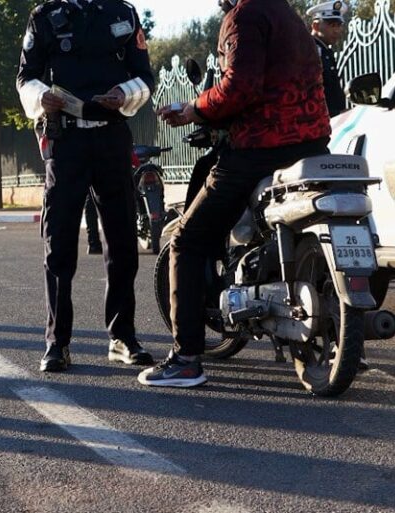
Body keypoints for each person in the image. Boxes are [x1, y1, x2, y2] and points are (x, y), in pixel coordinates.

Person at [141, 0, 331, 388]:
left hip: (260, 148)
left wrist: (193, 109)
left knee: (187, 240)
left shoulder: (244, 17)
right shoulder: (288, 16)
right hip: (312, 145)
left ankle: (185, 359)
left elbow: (240, 88)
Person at [17, 0, 155, 372]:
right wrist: (40, 97)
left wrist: (125, 94)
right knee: (59, 242)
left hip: (112, 136)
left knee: (122, 240)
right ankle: (57, 343)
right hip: (66, 141)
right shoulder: (45, 17)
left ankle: (122, 337)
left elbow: (145, 76)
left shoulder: (122, 13)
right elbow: (25, 76)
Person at [307, 0, 348, 117]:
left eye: (339, 25)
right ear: (316, 26)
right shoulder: (309, 51)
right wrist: (334, 113)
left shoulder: (324, 51)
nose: (337, 30)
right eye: (332, 25)